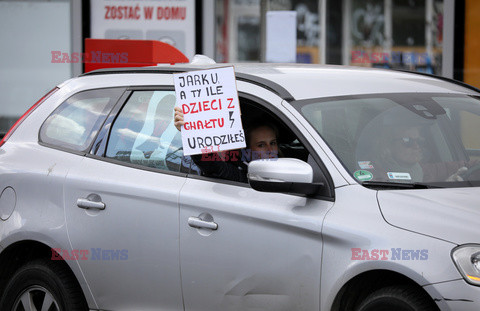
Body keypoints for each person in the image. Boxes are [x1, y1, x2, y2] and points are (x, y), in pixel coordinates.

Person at [173, 107, 279, 182]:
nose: (270, 150)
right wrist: (191, 133)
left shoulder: (292, 165)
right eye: (261, 145)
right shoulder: (242, 175)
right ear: (247, 150)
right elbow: (214, 167)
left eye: (272, 143)